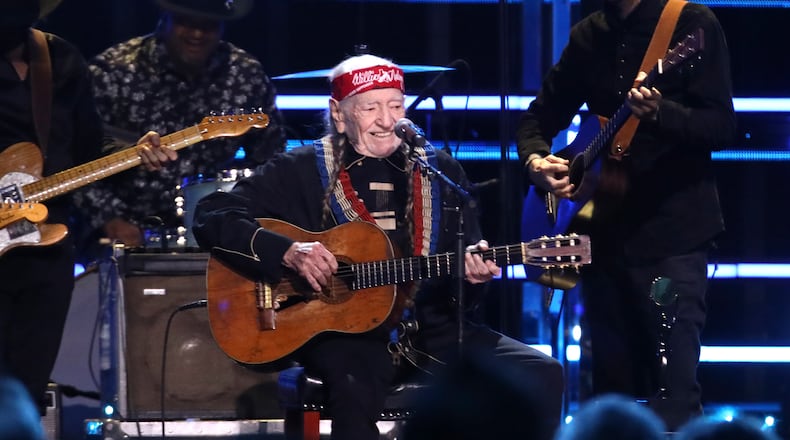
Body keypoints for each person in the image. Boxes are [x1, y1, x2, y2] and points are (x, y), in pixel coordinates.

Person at [193, 54, 565, 440]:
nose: (387, 121)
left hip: (431, 330)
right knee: (355, 388)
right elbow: (210, 213)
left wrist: (473, 277)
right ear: (339, 114)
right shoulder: (299, 169)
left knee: (542, 372)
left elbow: (462, 298)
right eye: (371, 108)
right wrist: (286, 251)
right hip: (345, 337)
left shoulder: (442, 173)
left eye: (396, 106)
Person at [516, 0, 736, 431]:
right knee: (611, 394)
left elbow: (722, 126)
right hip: (601, 238)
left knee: (672, 388)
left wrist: (661, 113)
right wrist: (536, 163)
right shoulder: (588, 34)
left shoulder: (691, 24)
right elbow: (537, 119)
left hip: (671, 240)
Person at [0, 0, 170, 417]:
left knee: (26, 388)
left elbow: (88, 147)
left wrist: (132, 153)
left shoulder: (57, 57)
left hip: (45, 242)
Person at [74, 0, 287, 251]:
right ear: (165, 18)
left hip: (214, 233)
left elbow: (271, 158)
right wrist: (109, 219)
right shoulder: (112, 72)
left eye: (208, 25)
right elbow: (72, 156)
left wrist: (243, 219)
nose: (197, 34)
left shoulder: (244, 74)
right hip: (122, 233)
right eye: (186, 22)